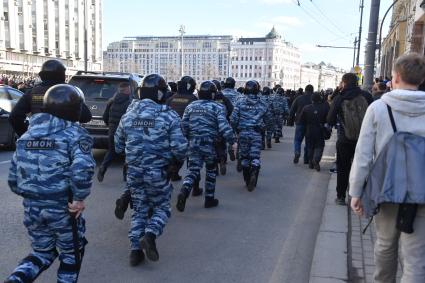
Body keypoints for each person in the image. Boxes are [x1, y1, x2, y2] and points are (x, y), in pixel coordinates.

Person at [5, 84, 95, 282]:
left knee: (42, 252)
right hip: (63, 210)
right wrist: (79, 199)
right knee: (72, 255)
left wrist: (33, 196)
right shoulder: (75, 135)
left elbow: (13, 179)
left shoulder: (27, 136)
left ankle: (16, 279)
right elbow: (83, 170)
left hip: (32, 209)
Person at [349, 53, 425, 282]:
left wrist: (355, 192)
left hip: (387, 188)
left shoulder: (379, 108)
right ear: (420, 79)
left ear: (397, 76)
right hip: (422, 191)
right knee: (416, 259)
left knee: (384, 245)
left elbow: (363, 155)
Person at [115, 74, 187, 266]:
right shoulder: (168, 115)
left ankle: (135, 252)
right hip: (158, 172)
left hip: (134, 172)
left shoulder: (128, 115)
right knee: (162, 207)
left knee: (139, 210)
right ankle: (150, 234)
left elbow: (117, 146)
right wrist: (174, 162)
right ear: (160, 93)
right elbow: (180, 149)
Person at [176, 81, 236, 212]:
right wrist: (232, 141)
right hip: (210, 144)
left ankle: (184, 191)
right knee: (210, 170)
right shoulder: (217, 107)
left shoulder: (190, 106)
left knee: (193, 170)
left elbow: (183, 126)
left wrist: (186, 140)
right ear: (213, 94)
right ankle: (209, 199)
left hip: (193, 144)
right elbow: (224, 126)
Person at [9, 59, 92, 137]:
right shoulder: (70, 91)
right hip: (64, 138)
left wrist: (27, 134)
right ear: (62, 75)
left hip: (39, 138)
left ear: (42, 75)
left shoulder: (32, 92)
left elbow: (14, 116)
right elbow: (86, 117)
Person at [327, 73, 373, 205]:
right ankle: (359, 196)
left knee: (343, 167)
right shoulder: (367, 96)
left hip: (345, 139)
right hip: (364, 140)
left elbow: (329, 119)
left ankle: (341, 196)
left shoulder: (340, 98)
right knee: (362, 167)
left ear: (344, 83)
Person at [230, 80, 274, 191]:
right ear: (257, 90)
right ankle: (254, 170)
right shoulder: (263, 103)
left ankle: (247, 180)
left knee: (244, 157)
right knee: (255, 156)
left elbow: (233, 119)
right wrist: (266, 129)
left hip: (243, 133)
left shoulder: (239, 102)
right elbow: (269, 119)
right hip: (257, 133)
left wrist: (234, 130)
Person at [97, 82, 132, 182]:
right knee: (127, 152)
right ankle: (126, 176)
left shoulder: (111, 101)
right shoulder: (130, 102)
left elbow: (105, 117)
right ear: (126, 90)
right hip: (125, 131)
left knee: (111, 151)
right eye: (129, 89)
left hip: (112, 131)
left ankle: (103, 168)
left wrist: (111, 126)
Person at [166, 76, 198, 181]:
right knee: (189, 156)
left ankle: (173, 171)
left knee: (173, 152)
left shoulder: (171, 98)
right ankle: (193, 183)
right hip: (187, 131)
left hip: (170, 130)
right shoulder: (193, 99)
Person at [299, 92, 330, 171]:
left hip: (309, 129)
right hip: (320, 129)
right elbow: (328, 119)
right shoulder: (324, 107)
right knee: (319, 146)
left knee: (310, 146)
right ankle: (316, 159)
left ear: (312, 99)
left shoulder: (306, 108)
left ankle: (310, 161)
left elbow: (301, 120)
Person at [212, 79, 234, 175]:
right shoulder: (223, 97)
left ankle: (215, 167)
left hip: (211, 125)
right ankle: (222, 159)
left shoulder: (209, 98)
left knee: (213, 145)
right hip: (223, 123)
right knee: (221, 143)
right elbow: (230, 109)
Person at [288, 84, 314, 164]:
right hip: (311, 123)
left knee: (297, 140)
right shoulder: (314, 98)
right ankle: (306, 159)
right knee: (308, 141)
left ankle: (297, 152)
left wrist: (290, 121)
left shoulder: (299, 98)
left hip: (300, 122)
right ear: (312, 91)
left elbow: (292, 110)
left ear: (305, 90)